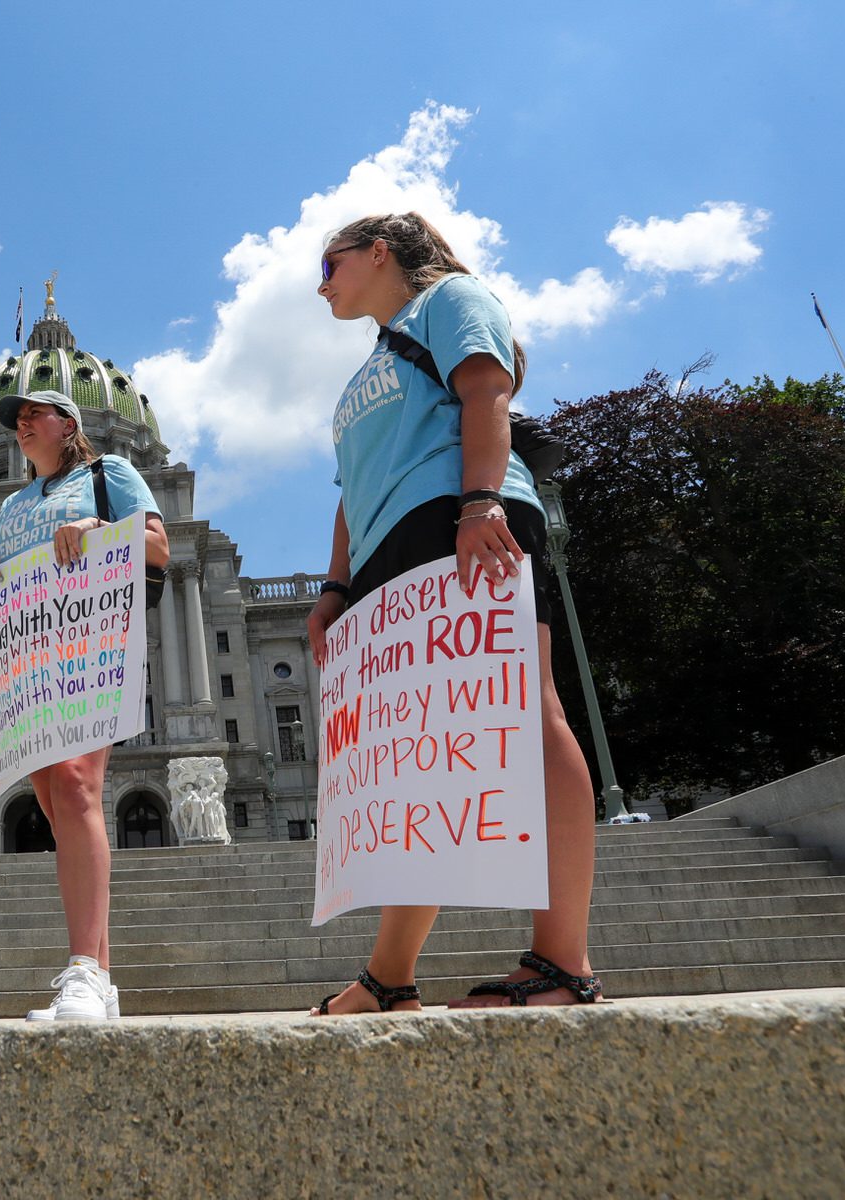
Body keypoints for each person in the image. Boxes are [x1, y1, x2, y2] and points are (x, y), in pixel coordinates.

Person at [304, 213, 602, 1014]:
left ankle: (561, 960)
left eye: (330, 263)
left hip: (461, 513)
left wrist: (478, 500)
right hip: (387, 544)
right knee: (417, 754)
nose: (321, 282)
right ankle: (390, 975)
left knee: (528, 709)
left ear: (379, 253)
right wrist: (335, 588)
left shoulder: (451, 299)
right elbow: (349, 492)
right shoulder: (372, 360)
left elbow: (485, 390)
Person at [0, 390, 169, 1020]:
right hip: (29, 659)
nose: (21, 425)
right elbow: (17, 581)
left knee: (79, 785)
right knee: (57, 805)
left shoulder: (110, 474)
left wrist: (99, 528)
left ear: (68, 424)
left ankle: (81, 967)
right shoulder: (14, 504)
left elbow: (158, 546)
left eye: (33, 415)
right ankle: (99, 979)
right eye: (14, 420)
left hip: (90, 644)